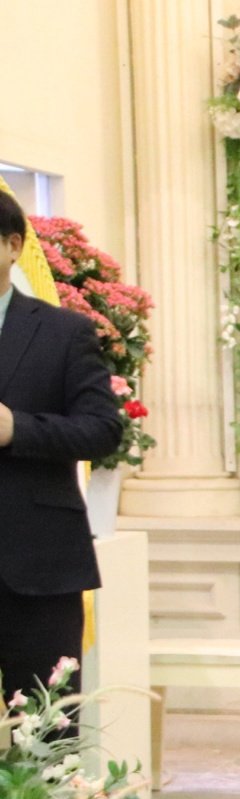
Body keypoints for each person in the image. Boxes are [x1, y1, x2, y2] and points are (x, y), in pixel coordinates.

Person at [0, 188, 122, 703]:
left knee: (45, 730)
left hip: (37, 566)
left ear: (12, 246)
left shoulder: (63, 332)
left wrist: (18, 429)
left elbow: (102, 430)